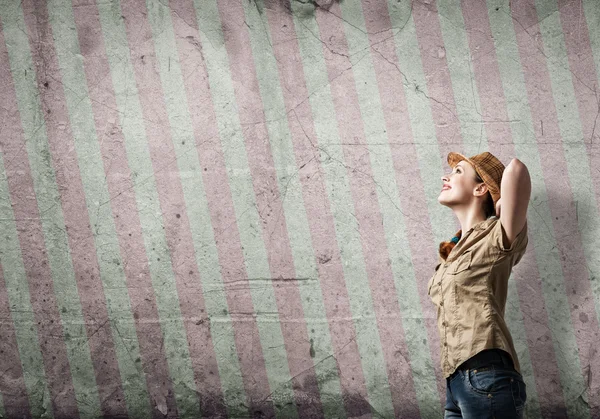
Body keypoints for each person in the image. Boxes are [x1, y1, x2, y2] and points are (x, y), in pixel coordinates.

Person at [428, 151, 531, 418]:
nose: (446, 176)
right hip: (456, 383)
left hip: (488, 378)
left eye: (458, 172)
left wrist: (501, 204)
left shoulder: (496, 235)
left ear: (481, 188)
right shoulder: (452, 253)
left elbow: (516, 169)